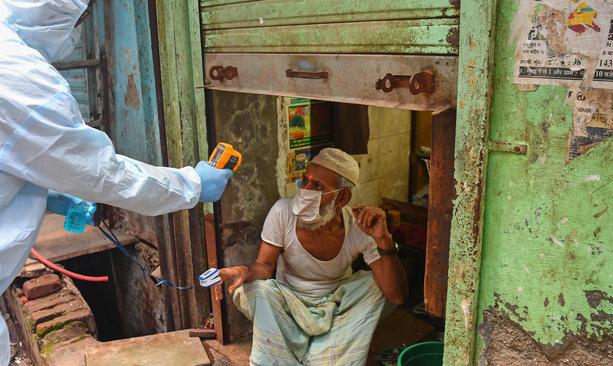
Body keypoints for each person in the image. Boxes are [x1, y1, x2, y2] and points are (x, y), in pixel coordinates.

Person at [0, 1, 232, 364]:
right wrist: (191, 185)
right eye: (80, 22)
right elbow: (102, 172)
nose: (76, 37)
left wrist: (41, 195)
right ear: (55, 13)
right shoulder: (19, 77)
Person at [218, 148, 408, 365]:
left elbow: (397, 296)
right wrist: (245, 271)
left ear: (342, 197)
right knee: (254, 289)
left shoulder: (358, 227)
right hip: (290, 302)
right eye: (305, 181)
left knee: (378, 287)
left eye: (317, 186)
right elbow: (264, 266)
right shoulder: (282, 212)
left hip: (336, 305)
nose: (305, 190)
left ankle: (327, 351)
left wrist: (384, 241)